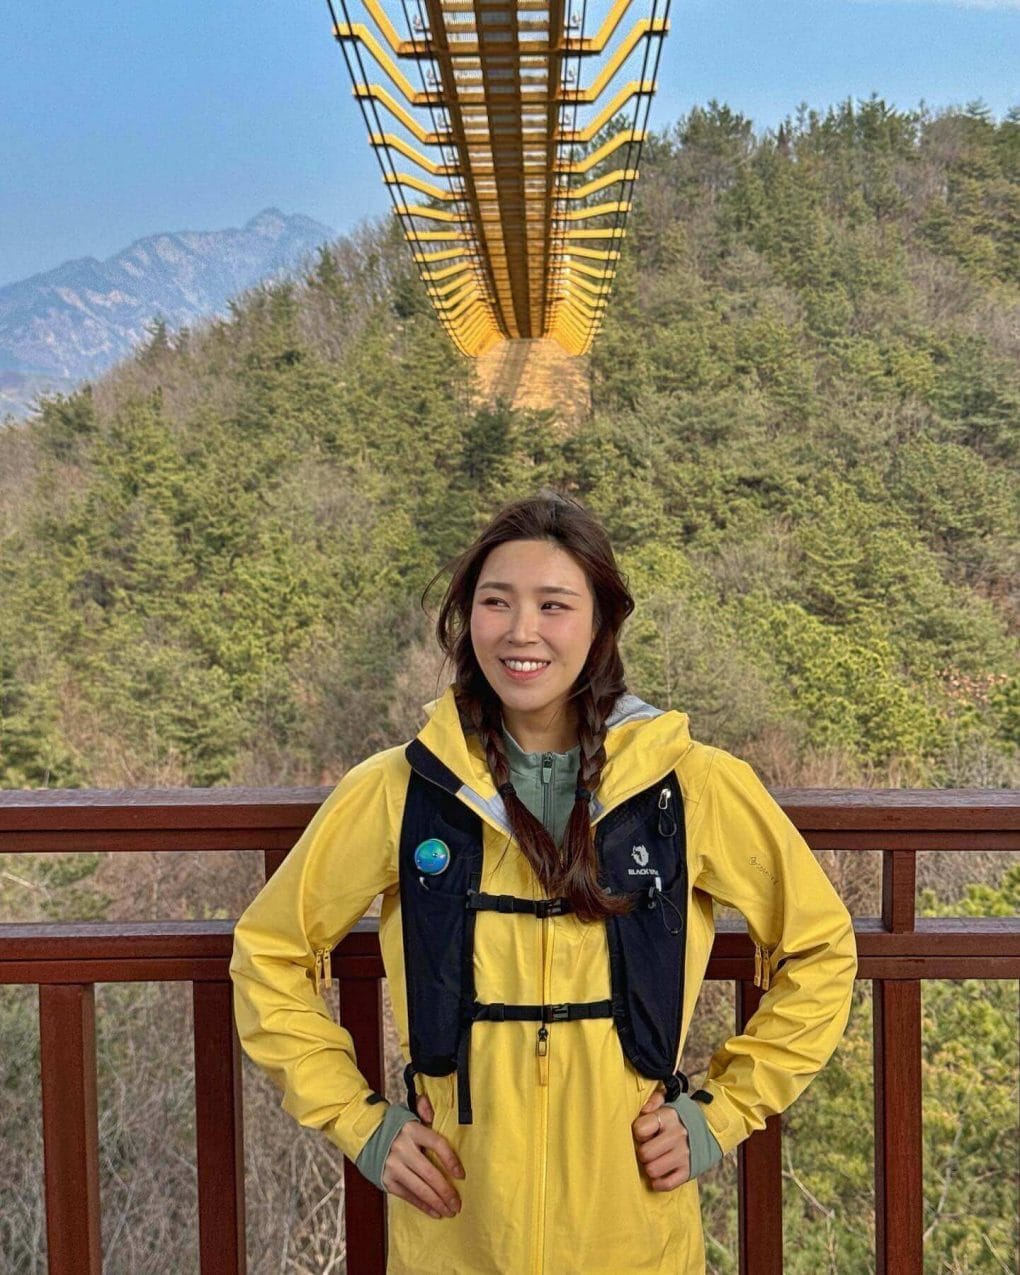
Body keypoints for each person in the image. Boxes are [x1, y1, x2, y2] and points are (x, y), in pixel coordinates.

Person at [230, 492, 857, 1274]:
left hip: (635, 1233)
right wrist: (362, 1126)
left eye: (553, 605)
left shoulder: (688, 785)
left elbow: (822, 948)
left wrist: (720, 1114)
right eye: (496, 602)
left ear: (600, 625)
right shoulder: (401, 789)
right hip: (456, 1231)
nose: (521, 631)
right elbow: (269, 952)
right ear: (468, 619)